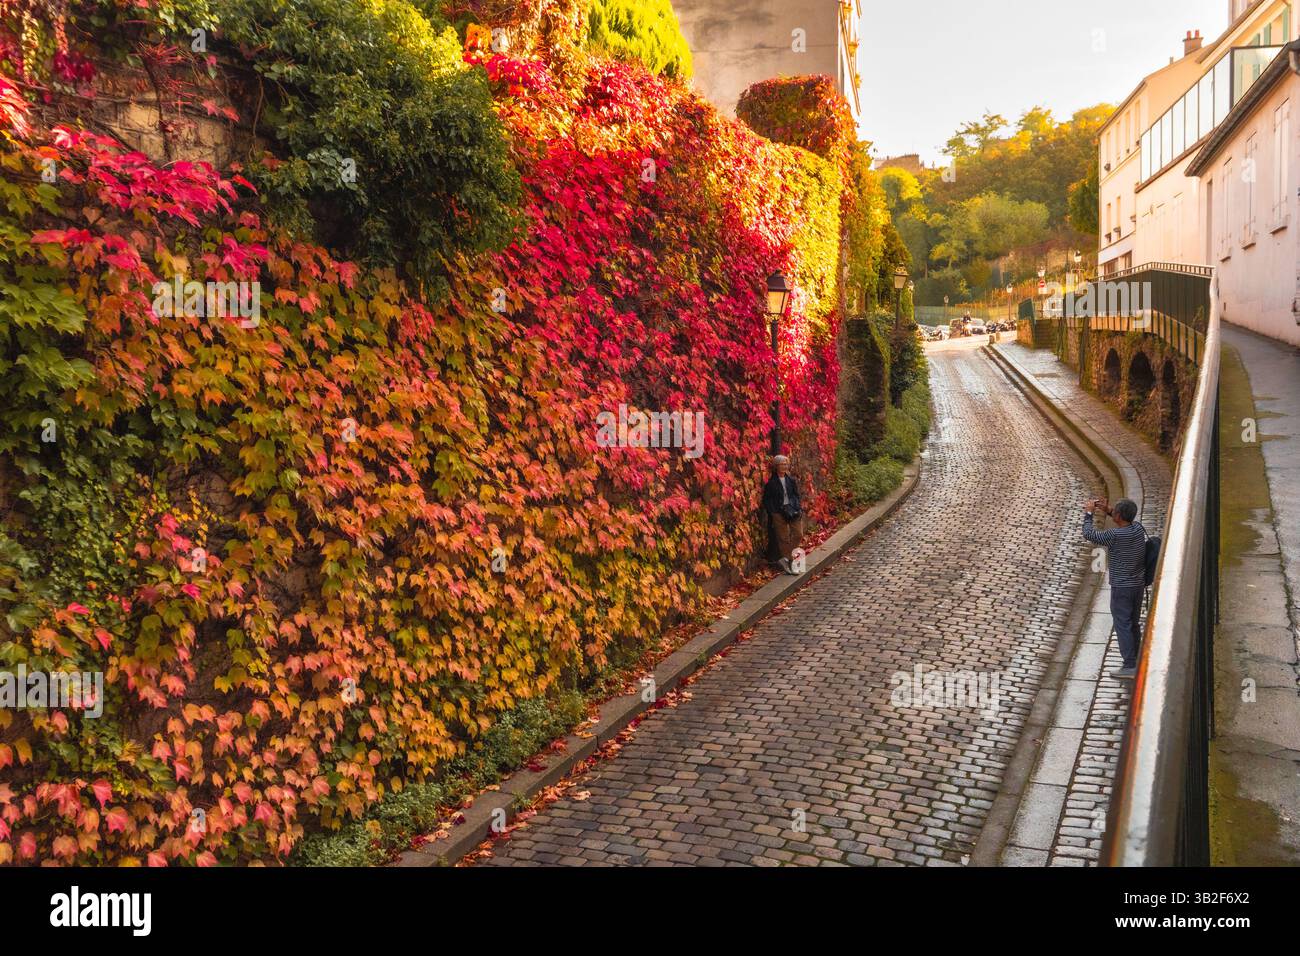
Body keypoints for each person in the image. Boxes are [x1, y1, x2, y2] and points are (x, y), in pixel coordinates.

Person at [1082, 496, 1147, 679]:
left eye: (1115, 513)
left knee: (1123, 624)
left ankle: (1129, 665)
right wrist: (1109, 510)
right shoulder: (1137, 529)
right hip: (1137, 585)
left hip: (1122, 587)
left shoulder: (1116, 536)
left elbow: (1091, 535)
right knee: (1133, 622)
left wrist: (1089, 513)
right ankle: (1137, 658)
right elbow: (1124, 520)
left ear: (1119, 516)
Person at [763, 454, 803, 574]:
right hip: (779, 512)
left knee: (798, 534)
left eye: (786, 464)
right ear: (776, 466)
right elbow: (767, 499)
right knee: (783, 538)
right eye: (782, 464)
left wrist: (798, 506)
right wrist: (773, 511)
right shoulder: (771, 483)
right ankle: (790, 563)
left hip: (793, 510)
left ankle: (788, 558)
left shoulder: (791, 480)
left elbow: (796, 495)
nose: (785, 466)